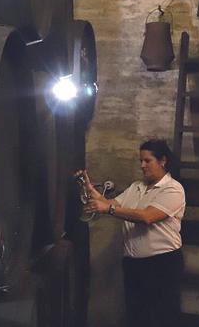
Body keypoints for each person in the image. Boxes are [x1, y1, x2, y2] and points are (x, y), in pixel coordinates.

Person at [76, 138, 186, 327]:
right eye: (140, 161)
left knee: (162, 319)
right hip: (134, 265)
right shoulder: (137, 187)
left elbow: (147, 217)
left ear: (163, 161)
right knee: (137, 317)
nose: (142, 166)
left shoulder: (173, 189)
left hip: (162, 265)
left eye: (147, 161)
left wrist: (108, 209)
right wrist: (89, 189)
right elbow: (111, 204)